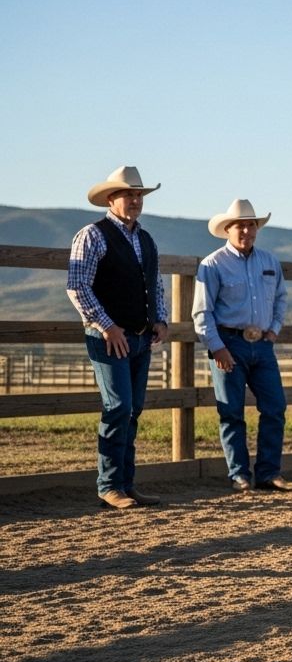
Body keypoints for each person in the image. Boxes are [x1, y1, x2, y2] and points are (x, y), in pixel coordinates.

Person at [66, 166, 170, 509]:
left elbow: (153, 283)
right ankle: (109, 485)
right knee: (118, 407)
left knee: (133, 410)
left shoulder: (145, 239)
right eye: (130, 194)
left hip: (140, 337)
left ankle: (126, 484)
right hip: (109, 336)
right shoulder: (92, 235)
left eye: (139, 195)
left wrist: (160, 319)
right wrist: (106, 326)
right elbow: (77, 286)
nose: (136, 200)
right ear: (111, 198)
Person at [193, 199, 292, 494]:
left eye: (251, 225)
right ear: (227, 229)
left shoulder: (269, 262)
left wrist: (274, 331)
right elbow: (202, 311)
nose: (246, 231)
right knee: (231, 412)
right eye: (239, 225)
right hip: (229, 343)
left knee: (275, 407)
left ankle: (268, 473)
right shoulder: (212, 264)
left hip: (262, 344)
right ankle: (239, 475)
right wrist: (217, 347)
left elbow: (281, 297)